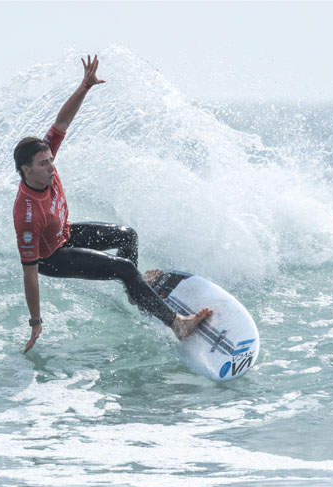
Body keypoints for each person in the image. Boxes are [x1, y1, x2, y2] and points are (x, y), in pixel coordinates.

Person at [13, 54, 213, 353]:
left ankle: (135, 292)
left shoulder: (43, 157)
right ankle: (178, 325)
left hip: (64, 234)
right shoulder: (27, 214)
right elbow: (29, 272)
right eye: (44, 164)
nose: (52, 167)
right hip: (51, 257)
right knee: (124, 268)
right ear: (26, 169)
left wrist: (85, 86)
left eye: (51, 160)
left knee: (127, 236)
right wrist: (35, 322)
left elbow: (62, 122)